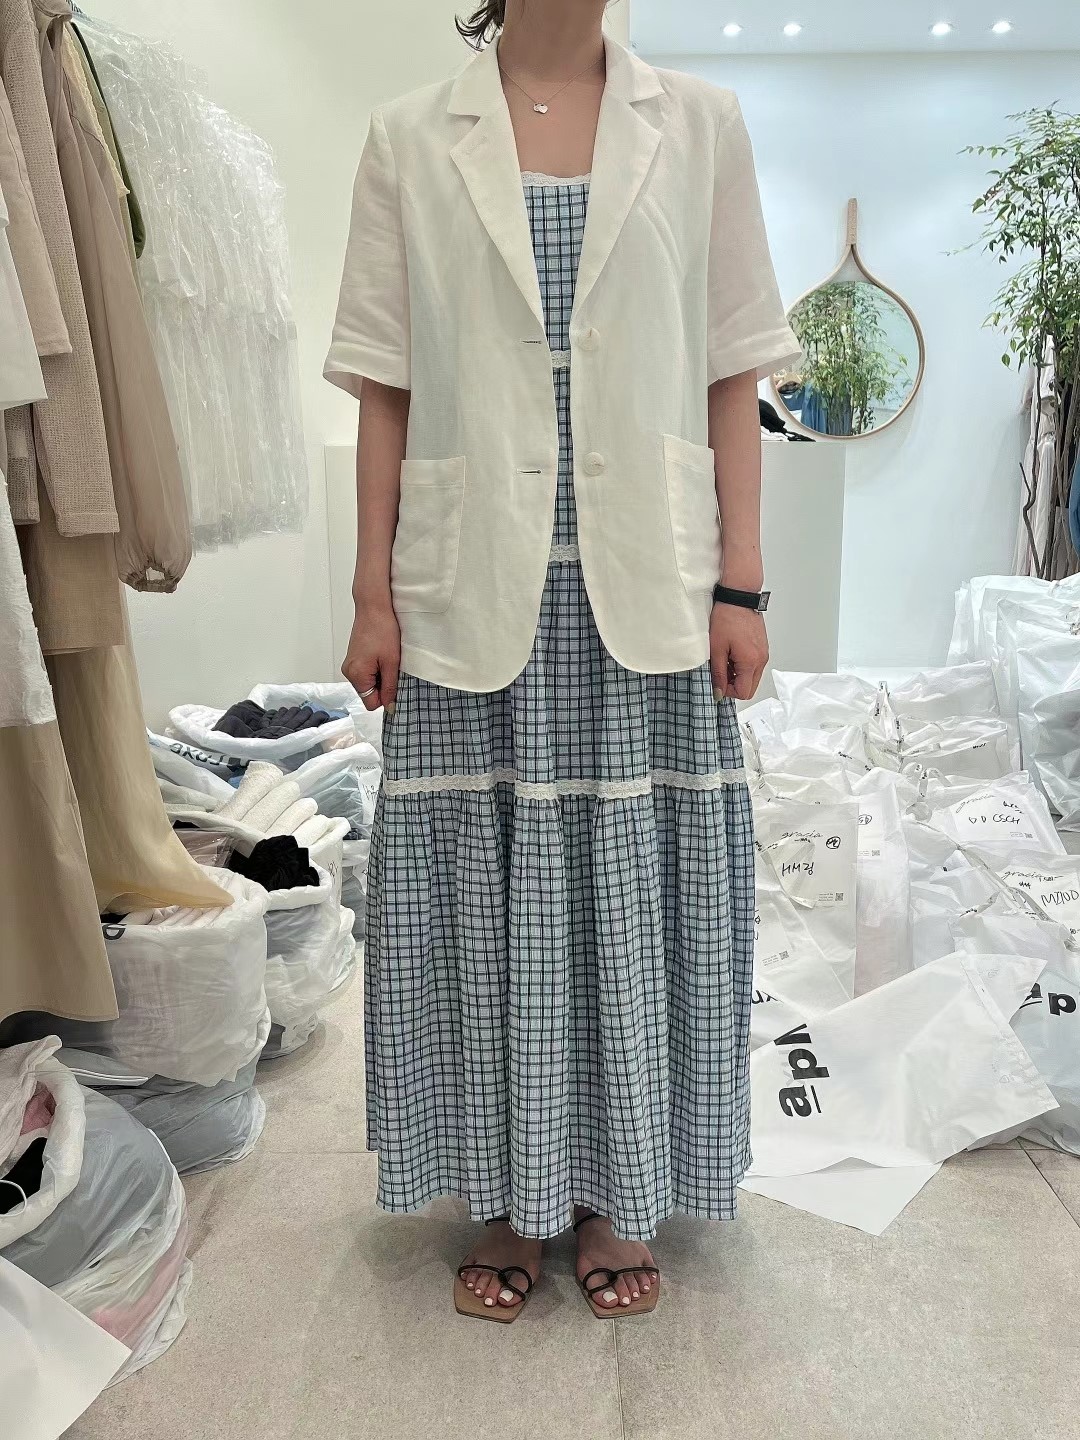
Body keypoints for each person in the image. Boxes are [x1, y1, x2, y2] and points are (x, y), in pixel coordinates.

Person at [325, 0, 799, 1323]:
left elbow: (735, 371)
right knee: (485, 904)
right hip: (473, 580)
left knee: (634, 895)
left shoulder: (700, 123)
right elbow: (384, 385)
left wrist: (743, 581)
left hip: (645, 579)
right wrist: (371, 592)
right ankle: (502, 1189)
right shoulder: (409, 135)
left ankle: (616, 1192)